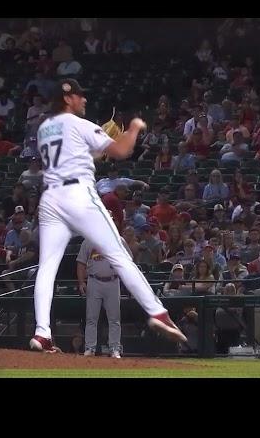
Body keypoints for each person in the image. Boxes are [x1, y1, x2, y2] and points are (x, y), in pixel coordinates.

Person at [30, 78, 185, 353]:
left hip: (50, 198)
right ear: (68, 99)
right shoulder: (80, 124)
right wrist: (135, 128)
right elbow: (123, 150)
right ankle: (159, 313)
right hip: (78, 194)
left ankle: (42, 332)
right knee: (119, 255)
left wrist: (94, 150)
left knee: (47, 267)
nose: (84, 100)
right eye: (80, 96)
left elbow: (71, 155)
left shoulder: (43, 128)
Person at [76, 226, 123, 358]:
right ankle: (90, 348)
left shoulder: (118, 240)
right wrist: (81, 282)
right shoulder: (89, 240)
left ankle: (114, 348)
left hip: (113, 281)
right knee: (91, 318)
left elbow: (128, 261)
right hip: (94, 281)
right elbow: (81, 263)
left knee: (114, 318)